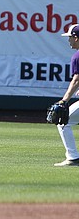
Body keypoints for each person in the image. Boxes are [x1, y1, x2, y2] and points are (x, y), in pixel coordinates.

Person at [54, 24, 79, 166]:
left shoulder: (77, 56)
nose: (68, 40)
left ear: (76, 38)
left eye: (69, 37)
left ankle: (73, 157)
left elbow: (76, 80)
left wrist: (64, 100)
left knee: (63, 121)